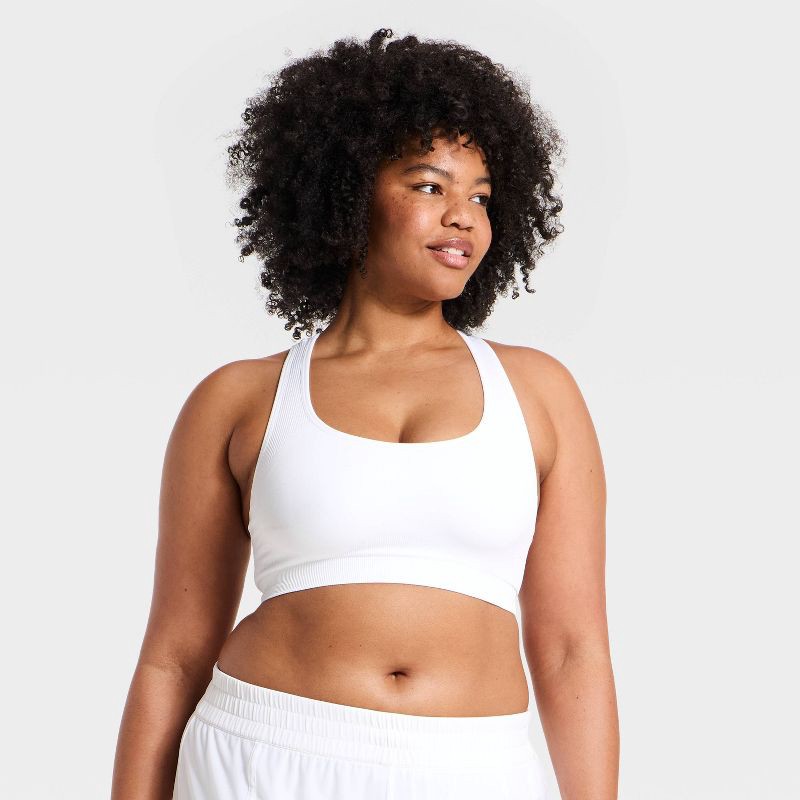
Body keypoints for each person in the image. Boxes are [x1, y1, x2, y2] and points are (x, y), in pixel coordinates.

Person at [111, 27, 619, 800]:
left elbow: (572, 650)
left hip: (472, 769)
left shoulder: (539, 393)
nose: (463, 217)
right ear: (346, 195)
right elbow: (173, 657)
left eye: (481, 196)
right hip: (263, 757)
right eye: (430, 187)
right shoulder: (239, 400)